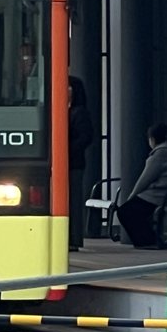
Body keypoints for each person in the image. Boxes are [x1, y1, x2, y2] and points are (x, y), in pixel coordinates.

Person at [116, 122, 167, 248]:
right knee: (135, 213)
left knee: (125, 211)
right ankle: (149, 239)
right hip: (165, 193)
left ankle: (146, 241)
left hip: (155, 195)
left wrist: (132, 195)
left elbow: (145, 179)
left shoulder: (158, 155)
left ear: (152, 139)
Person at [67, 77, 93, 252]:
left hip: (74, 163)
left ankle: (74, 238)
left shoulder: (79, 112)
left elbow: (86, 137)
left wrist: (68, 149)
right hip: (65, 163)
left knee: (74, 201)